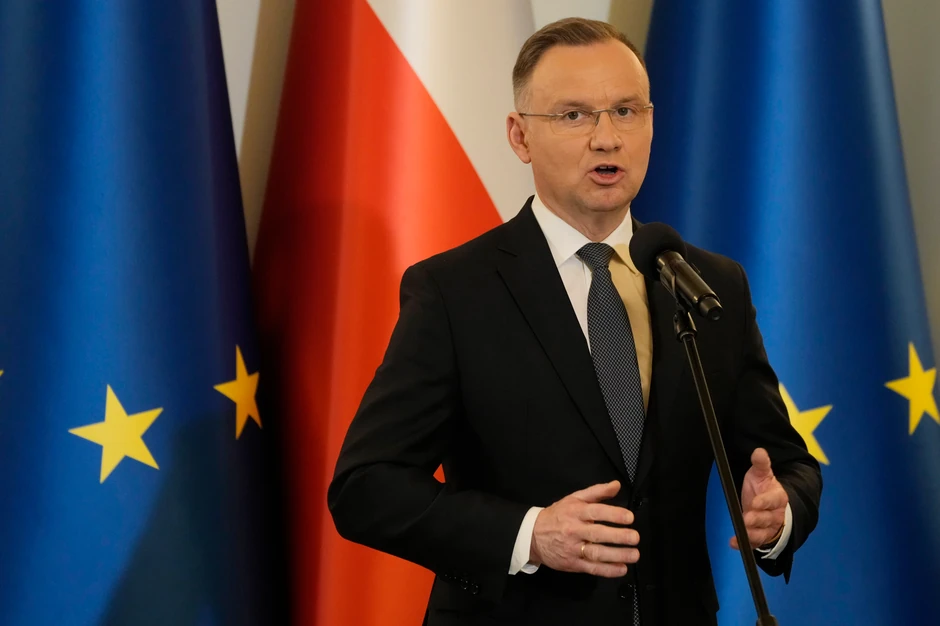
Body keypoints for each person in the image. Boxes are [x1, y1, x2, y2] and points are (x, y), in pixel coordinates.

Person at [327, 17, 821, 626]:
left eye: (625, 111)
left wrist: (780, 513)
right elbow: (366, 485)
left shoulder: (708, 284)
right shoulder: (455, 291)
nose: (606, 138)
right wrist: (529, 535)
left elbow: (788, 464)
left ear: (651, 123)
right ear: (520, 136)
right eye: (574, 115)